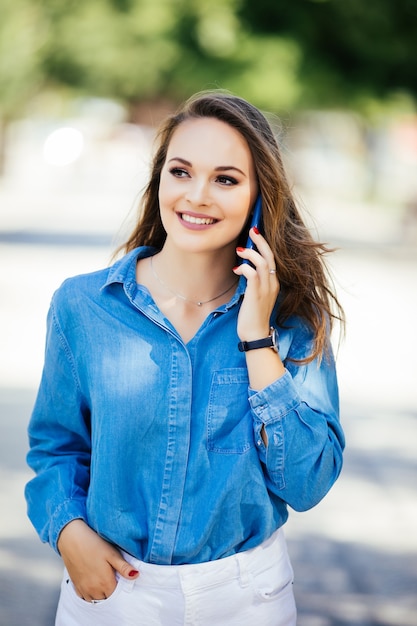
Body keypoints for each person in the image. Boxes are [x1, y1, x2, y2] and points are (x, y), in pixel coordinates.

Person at [25, 91, 345, 626]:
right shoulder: (82, 306)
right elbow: (55, 447)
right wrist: (67, 531)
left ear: (259, 200)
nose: (197, 196)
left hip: (247, 600)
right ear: (159, 182)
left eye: (226, 179)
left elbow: (308, 484)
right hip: (108, 595)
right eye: (181, 171)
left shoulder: (293, 319)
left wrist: (257, 340)